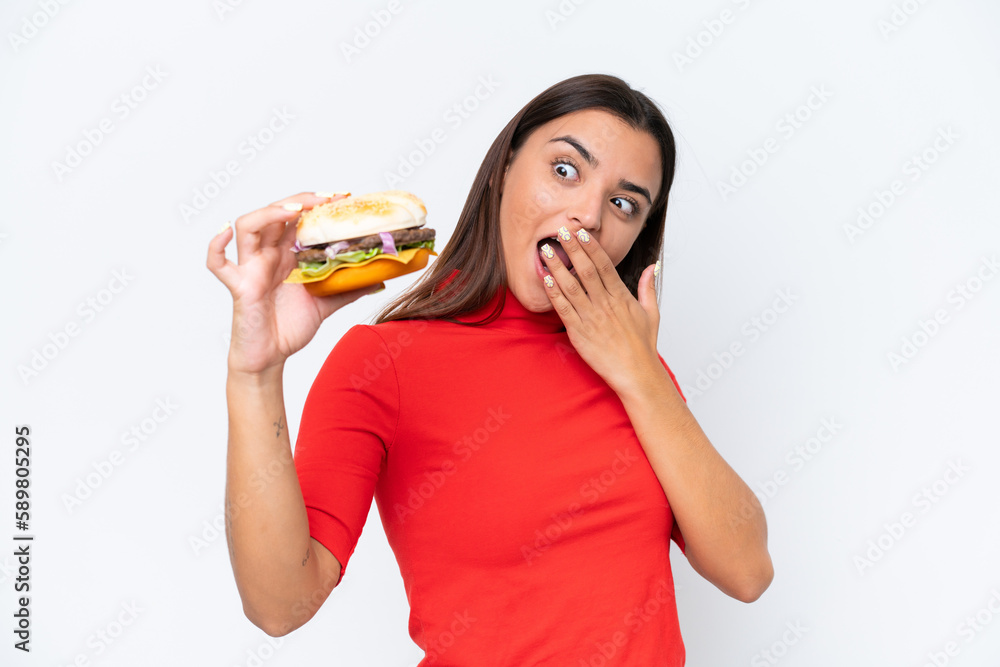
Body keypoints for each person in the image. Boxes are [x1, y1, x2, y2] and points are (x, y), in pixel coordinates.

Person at [207, 73, 772, 665]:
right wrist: (256, 374)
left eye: (624, 203)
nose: (588, 215)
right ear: (505, 168)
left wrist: (639, 372)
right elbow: (281, 606)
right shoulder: (384, 363)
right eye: (565, 169)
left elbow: (746, 571)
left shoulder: (634, 370)